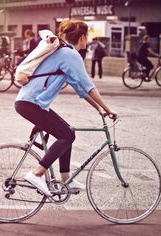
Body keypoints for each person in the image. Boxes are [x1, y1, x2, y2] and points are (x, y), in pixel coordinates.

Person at [15, 19, 117, 197]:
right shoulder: (70, 55)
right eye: (87, 38)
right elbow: (88, 86)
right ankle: (36, 174)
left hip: (29, 102)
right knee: (67, 135)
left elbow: (80, 88)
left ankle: (65, 180)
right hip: (32, 103)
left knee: (67, 132)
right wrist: (108, 109)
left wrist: (99, 109)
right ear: (82, 37)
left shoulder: (64, 54)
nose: (87, 42)